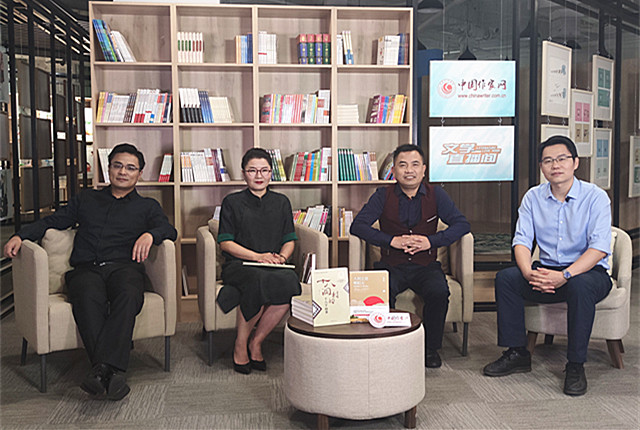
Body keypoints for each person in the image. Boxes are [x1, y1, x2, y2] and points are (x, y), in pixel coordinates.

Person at [3, 143, 177, 400]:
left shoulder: (148, 207)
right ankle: (113, 372)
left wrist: (151, 234)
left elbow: (170, 231)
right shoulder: (86, 199)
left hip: (124, 268)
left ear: (139, 174)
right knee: (86, 297)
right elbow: (54, 221)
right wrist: (21, 235)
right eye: (117, 165)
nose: (123, 172)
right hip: (87, 269)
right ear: (108, 168)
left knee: (129, 295)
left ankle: (100, 371)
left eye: (130, 168)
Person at [483, 135, 612, 396]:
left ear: (575, 162)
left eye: (562, 159)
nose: (555, 165)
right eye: (548, 160)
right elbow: (522, 241)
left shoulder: (595, 197)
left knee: (580, 286)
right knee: (507, 278)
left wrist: (565, 275)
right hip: (546, 270)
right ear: (541, 166)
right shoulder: (533, 197)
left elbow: (598, 248)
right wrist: (529, 273)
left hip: (587, 273)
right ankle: (517, 352)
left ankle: (575, 365)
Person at [350, 144, 470, 368]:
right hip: (391, 264)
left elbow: (462, 224)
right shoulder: (382, 195)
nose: (409, 170)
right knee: (381, 295)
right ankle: (387, 346)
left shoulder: (437, 195)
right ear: (394, 170)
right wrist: (391, 240)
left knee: (438, 291)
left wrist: (431, 241)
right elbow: (358, 226)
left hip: (426, 265)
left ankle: (430, 349)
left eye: (415, 165)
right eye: (402, 165)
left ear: (423, 169)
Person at [216, 148, 301, 375]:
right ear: (244, 173)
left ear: (271, 173)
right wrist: (258, 256)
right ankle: (240, 344)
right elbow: (225, 243)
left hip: (272, 264)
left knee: (289, 282)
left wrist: (282, 258)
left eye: (264, 170)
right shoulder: (232, 202)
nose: (259, 175)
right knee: (257, 279)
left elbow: (289, 239)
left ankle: (256, 341)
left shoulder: (281, 202)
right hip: (240, 265)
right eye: (252, 170)